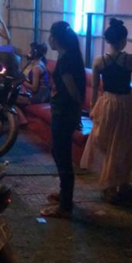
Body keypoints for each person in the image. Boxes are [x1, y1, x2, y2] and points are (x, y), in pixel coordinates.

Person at [81, 19, 132, 204]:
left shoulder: (99, 61)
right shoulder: (130, 60)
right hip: (126, 103)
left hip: (108, 103)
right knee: (125, 144)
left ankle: (110, 186)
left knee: (107, 143)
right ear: (124, 40)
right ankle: (123, 185)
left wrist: (93, 108)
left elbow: (95, 88)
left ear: (108, 40)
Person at [40, 22, 86, 219]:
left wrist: (76, 112)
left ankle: (65, 206)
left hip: (64, 113)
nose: (48, 39)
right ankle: (64, 195)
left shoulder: (66, 60)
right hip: (64, 112)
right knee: (59, 153)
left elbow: (73, 92)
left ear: (56, 38)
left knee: (62, 156)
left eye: (50, 35)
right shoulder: (69, 56)